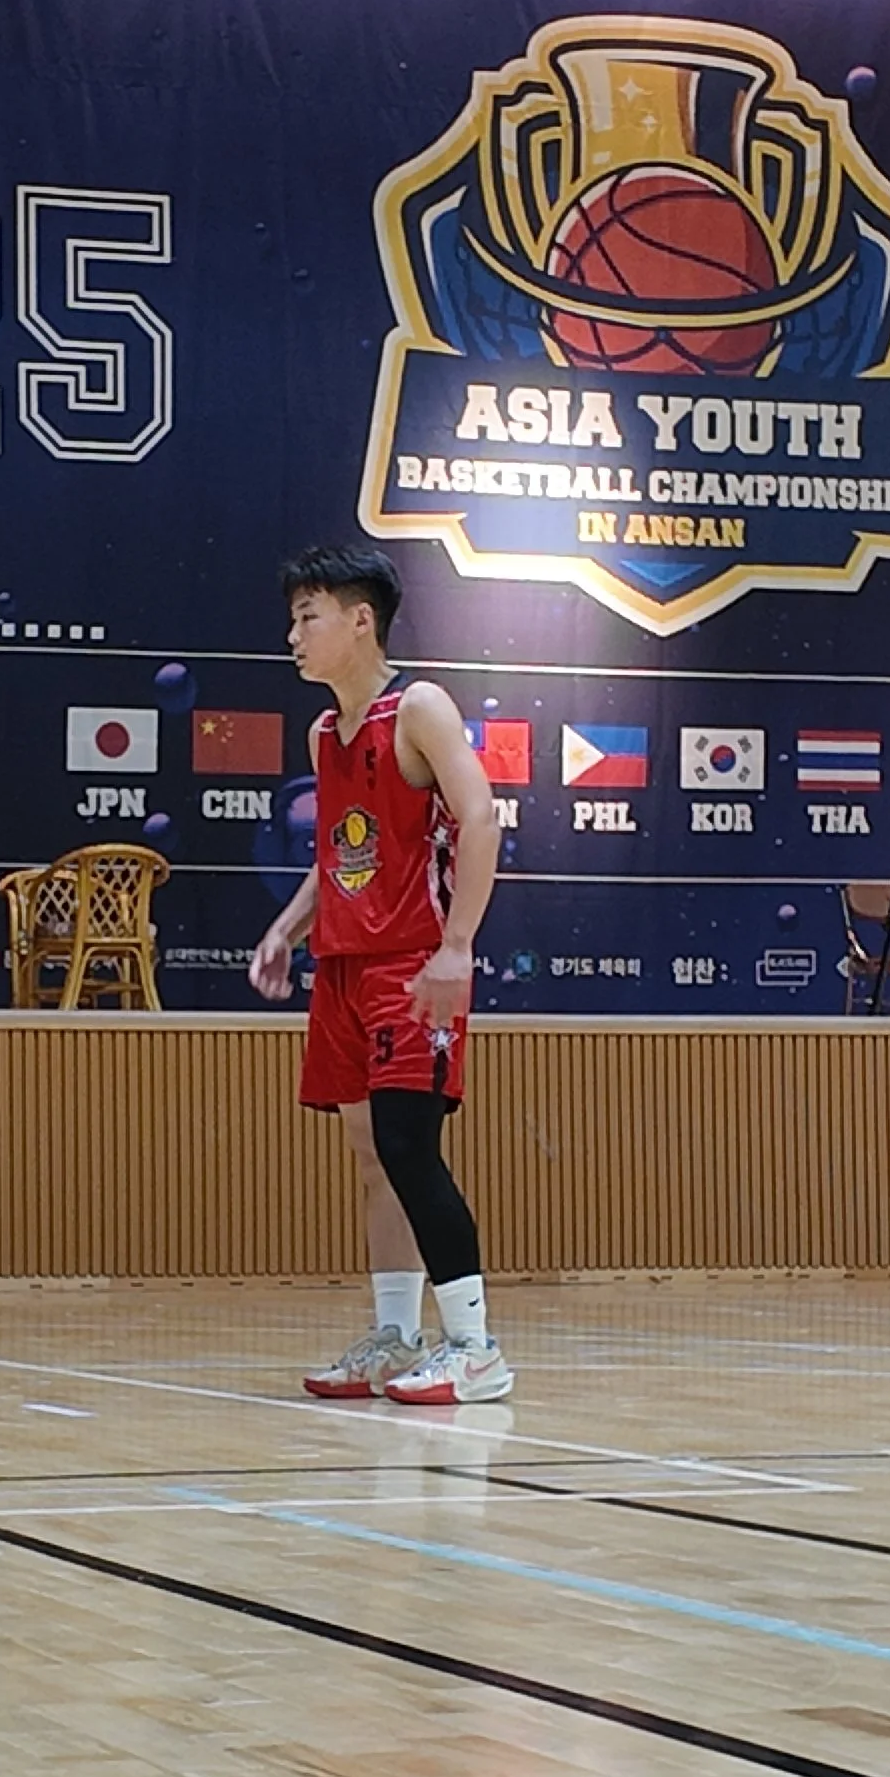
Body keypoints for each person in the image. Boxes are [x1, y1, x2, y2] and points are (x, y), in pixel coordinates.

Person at [249, 543, 512, 1405]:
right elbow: (337, 858)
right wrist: (288, 930)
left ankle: (474, 1347)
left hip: (413, 963)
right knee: (372, 1158)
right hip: (344, 968)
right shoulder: (327, 731)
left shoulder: (420, 706)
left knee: (408, 1145)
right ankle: (397, 1337)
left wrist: (458, 947)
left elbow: (480, 817)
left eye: (306, 616)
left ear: (360, 620)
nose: (292, 635)